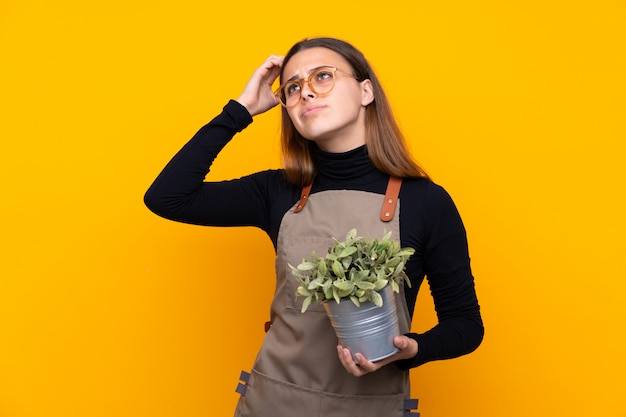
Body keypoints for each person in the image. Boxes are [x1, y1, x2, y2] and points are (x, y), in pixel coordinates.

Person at [144, 37, 483, 417]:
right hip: (271, 403)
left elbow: (466, 325)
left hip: (367, 407)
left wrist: (412, 350)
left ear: (366, 91)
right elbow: (167, 197)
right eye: (292, 87)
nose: (305, 92)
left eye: (322, 76)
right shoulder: (277, 191)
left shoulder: (426, 202)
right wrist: (240, 110)